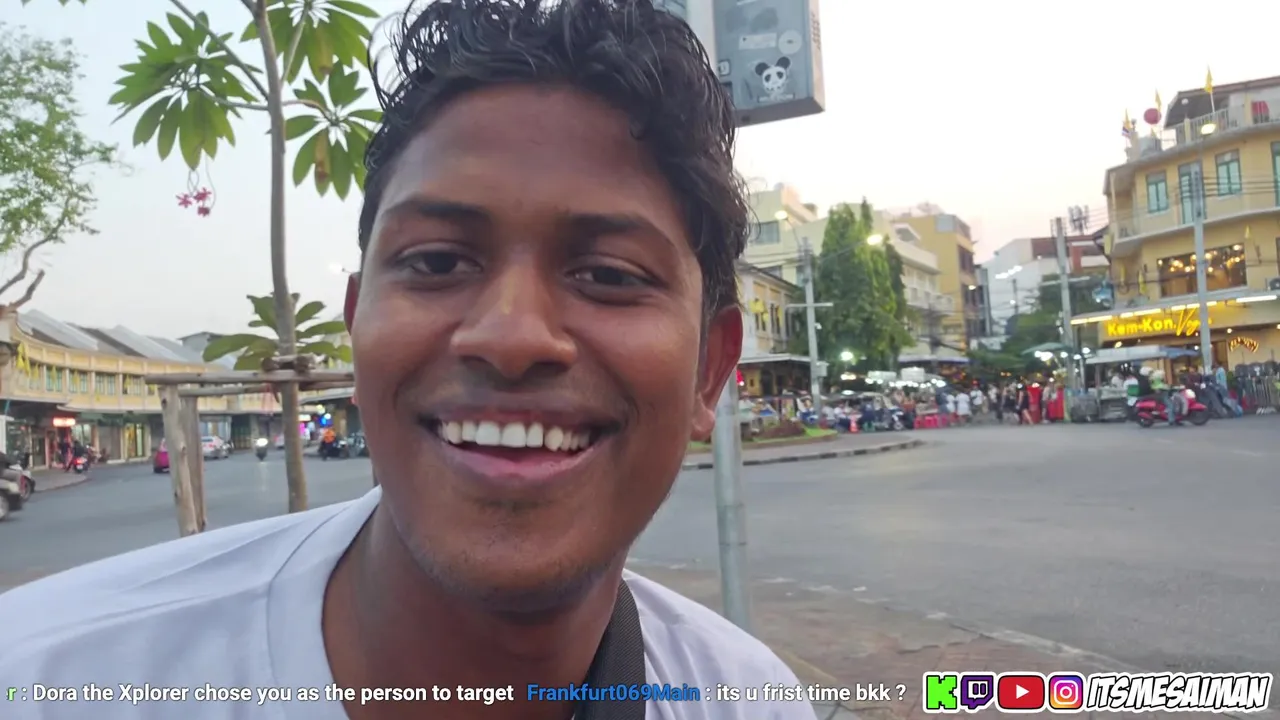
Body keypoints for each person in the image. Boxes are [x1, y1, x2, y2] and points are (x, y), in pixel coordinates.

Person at [0, 3, 816, 719]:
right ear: (357, 327)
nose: (511, 337)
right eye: (436, 262)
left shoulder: (743, 699)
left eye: (608, 275)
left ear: (711, 369)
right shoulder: (47, 683)